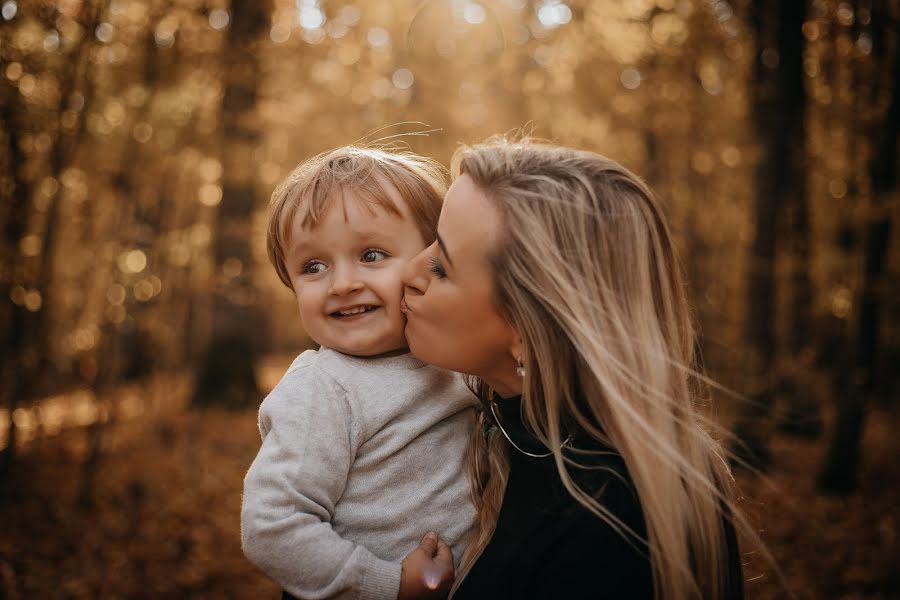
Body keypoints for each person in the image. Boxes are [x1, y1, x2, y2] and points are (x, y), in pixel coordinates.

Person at [400, 137, 745, 599]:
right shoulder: (513, 440)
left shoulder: (602, 528)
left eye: (441, 266)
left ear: (527, 329)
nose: (408, 272)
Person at [241, 146, 475, 600]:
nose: (343, 283)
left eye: (371, 254)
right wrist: (386, 585)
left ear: (431, 260)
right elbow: (272, 525)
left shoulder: (457, 359)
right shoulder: (323, 389)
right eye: (313, 267)